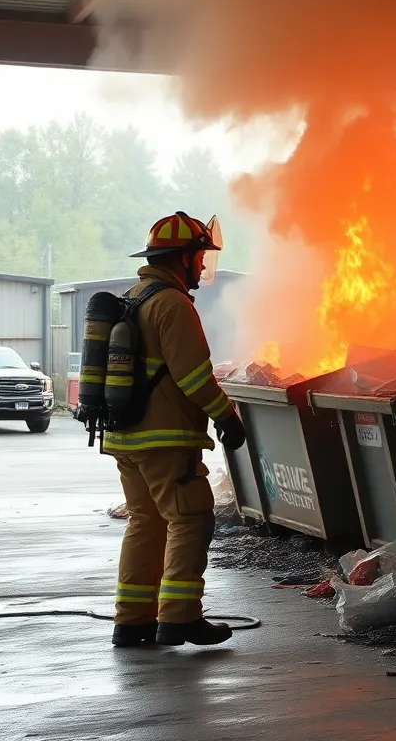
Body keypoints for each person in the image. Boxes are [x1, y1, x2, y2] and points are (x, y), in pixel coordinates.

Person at [105, 212, 247, 648]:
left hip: (126, 437)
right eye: (199, 256)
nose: (203, 266)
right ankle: (181, 617)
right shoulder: (172, 304)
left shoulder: (134, 296)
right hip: (166, 439)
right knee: (190, 520)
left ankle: (133, 621)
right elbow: (193, 376)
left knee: (145, 523)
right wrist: (227, 416)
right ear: (181, 259)